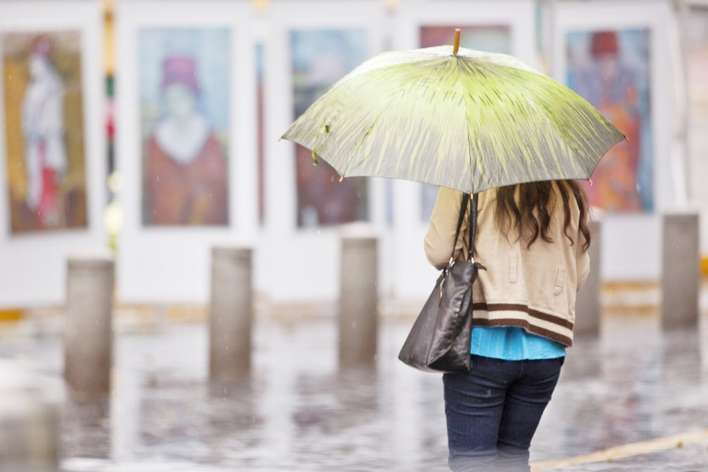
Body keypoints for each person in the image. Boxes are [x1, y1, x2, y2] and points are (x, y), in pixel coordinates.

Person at [425, 181, 591, 471]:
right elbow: (579, 274)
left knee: (473, 463)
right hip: (545, 349)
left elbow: (439, 251)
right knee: (512, 459)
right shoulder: (564, 185)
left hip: (481, 345)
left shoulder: (468, 174)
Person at [144, 55, 228, 226]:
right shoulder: (154, 145)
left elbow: (218, 195)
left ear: (194, 97)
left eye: (182, 97)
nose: (177, 105)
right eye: (171, 98)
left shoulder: (210, 142)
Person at [21, 35, 67, 229]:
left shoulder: (51, 86)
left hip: (46, 143)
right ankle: (43, 217)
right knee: (40, 183)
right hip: (38, 144)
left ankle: (50, 215)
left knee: (49, 182)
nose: (34, 67)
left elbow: (52, 117)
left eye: (37, 62)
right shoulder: (35, 90)